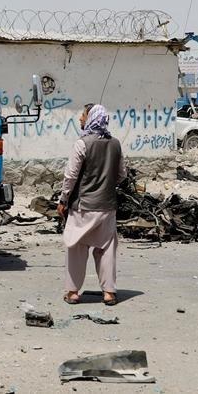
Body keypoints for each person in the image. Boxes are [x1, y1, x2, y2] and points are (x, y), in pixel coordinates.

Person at [57, 103, 126, 305]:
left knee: (76, 247)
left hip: (83, 206)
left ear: (91, 118)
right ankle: (109, 293)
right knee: (106, 249)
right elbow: (122, 175)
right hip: (107, 207)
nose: (80, 118)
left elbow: (70, 176)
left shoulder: (82, 144)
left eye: (83, 115)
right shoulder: (115, 144)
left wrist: (63, 200)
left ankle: (72, 292)